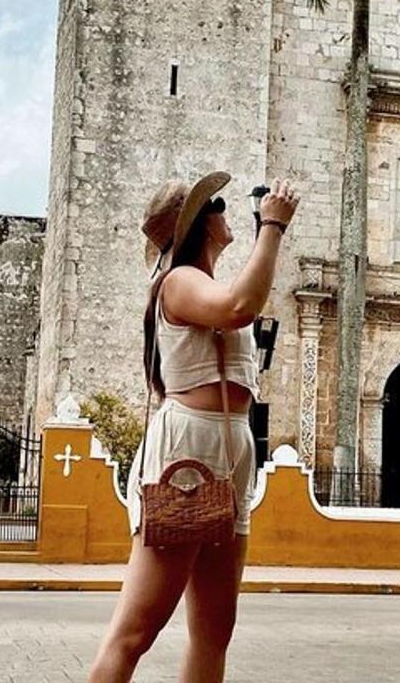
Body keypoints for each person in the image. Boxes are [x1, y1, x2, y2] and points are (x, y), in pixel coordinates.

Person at [89, 173, 299, 683]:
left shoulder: (202, 281)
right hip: (191, 445)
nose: (227, 211)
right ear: (200, 223)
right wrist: (272, 225)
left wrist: (265, 235)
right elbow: (238, 307)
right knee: (137, 630)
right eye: (219, 204)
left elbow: (239, 299)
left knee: (215, 629)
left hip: (228, 450)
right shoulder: (178, 280)